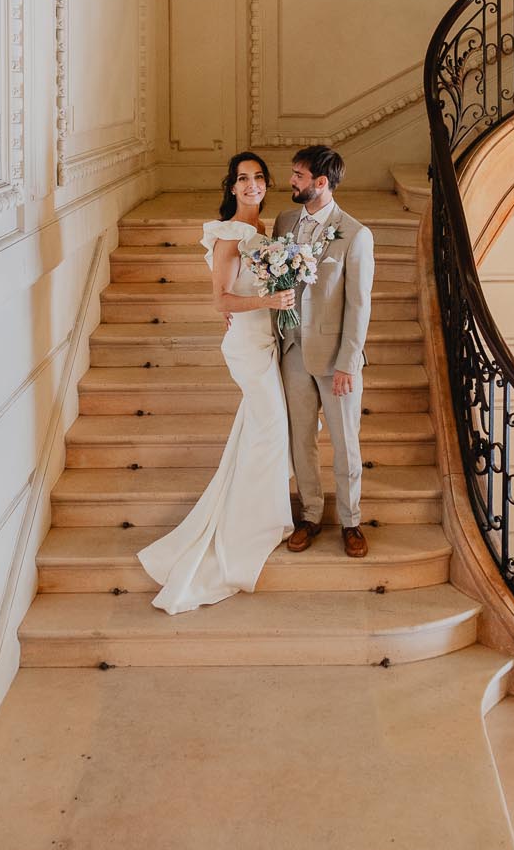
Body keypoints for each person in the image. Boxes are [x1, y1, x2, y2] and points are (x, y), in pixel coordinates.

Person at [137, 151, 295, 614]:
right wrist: (268, 302)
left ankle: (265, 512)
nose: (251, 185)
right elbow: (221, 300)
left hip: (266, 340)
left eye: (258, 177)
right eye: (242, 179)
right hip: (247, 345)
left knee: (259, 430)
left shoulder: (265, 230)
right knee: (270, 430)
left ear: (266, 184)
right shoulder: (230, 235)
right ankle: (250, 527)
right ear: (231, 187)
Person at [274, 145, 374, 559]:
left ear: (321, 182)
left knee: (345, 443)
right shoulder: (284, 222)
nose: (291, 181)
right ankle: (310, 515)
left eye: (298, 176)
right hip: (292, 351)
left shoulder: (355, 234)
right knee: (301, 440)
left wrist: (349, 362)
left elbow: (359, 305)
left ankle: (351, 522)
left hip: (335, 359)